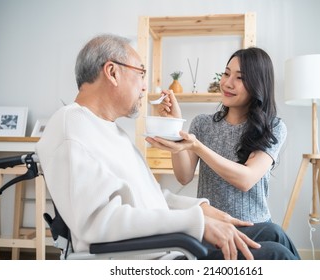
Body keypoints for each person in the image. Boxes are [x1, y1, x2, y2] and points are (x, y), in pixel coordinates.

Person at [36, 34, 300, 260]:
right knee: (277, 255)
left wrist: (199, 208)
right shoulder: (72, 127)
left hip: (177, 236)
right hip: (162, 252)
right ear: (112, 72)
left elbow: (149, 197)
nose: (144, 86)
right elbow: (97, 224)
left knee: (273, 233)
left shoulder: (110, 130)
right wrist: (196, 222)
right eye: (141, 73)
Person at [146, 47, 285, 224]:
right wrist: (175, 127)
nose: (227, 83)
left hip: (254, 228)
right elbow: (184, 177)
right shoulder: (202, 124)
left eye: (240, 77)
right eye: (226, 74)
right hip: (212, 227)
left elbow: (246, 179)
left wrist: (198, 146)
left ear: (258, 84)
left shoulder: (273, 127)